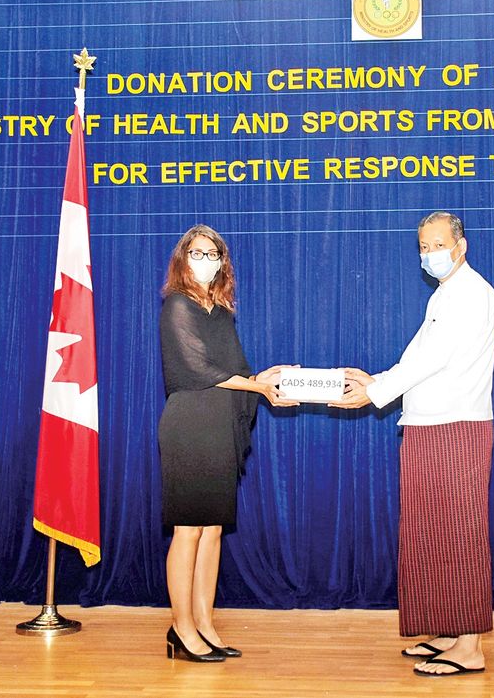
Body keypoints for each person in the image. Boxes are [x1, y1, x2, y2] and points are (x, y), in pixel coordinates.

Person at [332, 211, 494, 677]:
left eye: (439, 245)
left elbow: (434, 358)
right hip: (430, 424)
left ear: (461, 246)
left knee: (460, 532)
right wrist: (376, 381)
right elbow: (420, 359)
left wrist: (375, 391)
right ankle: (449, 630)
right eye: (424, 247)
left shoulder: (471, 293)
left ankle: (470, 646)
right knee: (430, 532)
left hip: (455, 427)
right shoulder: (446, 294)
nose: (431, 254)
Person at [158, 224, 297, 663]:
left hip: (220, 426)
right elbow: (197, 370)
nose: (205, 261)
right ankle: (181, 629)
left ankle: (205, 623)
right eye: (197, 253)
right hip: (189, 425)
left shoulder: (220, 311)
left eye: (213, 254)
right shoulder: (177, 305)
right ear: (183, 259)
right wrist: (258, 388)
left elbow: (237, 371)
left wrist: (266, 378)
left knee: (213, 529)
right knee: (188, 529)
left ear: (223, 262)